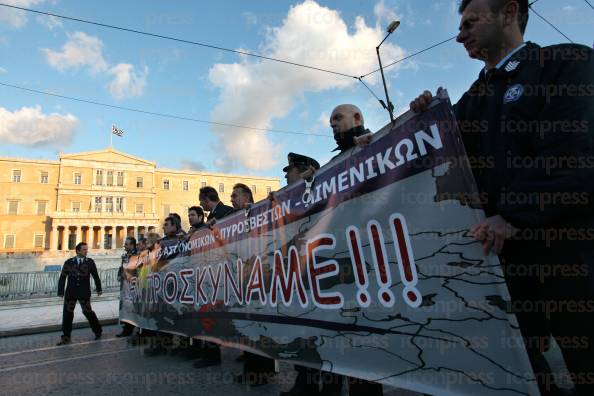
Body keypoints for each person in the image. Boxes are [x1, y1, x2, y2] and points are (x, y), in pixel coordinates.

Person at [409, 1, 594, 395]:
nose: (460, 34)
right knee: (519, 366)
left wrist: (514, 216)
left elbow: (576, 148)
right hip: (500, 260)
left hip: (570, 251)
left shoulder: (566, 62)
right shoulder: (471, 99)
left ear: (508, 12)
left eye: (470, 21)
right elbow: (441, 163)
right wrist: (420, 125)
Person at [193, 186, 233, 369]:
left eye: (201, 200)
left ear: (207, 199)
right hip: (212, 271)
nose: (200, 204)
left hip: (225, 270)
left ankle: (214, 354)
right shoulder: (212, 216)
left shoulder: (227, 212)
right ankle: (211, 353)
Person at [56, 242, 103, 345]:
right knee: (67, 315)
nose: (86, 251)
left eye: (87, 249)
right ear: (77, 251)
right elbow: (63, 277)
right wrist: (60, 291)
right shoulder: (69, 262)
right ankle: (66, 337)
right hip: (71, 292)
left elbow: (95, 276)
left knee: (88, 312)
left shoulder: (90, 262)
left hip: (84, 292)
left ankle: (98, 330)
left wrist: (99, 288)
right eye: (84, 250)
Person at [117, 236, 137, 338]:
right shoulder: (124, 256)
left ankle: (129, 328)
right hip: (125, 284)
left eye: (127, 244)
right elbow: (122, 267)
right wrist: (119, 275)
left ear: (132, 245)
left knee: (131, 305)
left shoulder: (137, 255)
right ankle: (126, 326)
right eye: (125, 243)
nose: (124, 245)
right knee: (125, 305)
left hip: (133, 284)